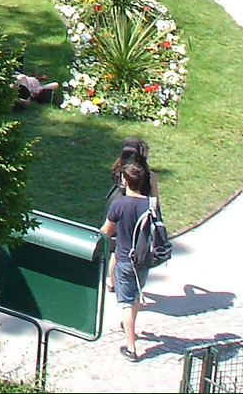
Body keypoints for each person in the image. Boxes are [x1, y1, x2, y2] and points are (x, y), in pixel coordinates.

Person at [101, 162, 153, 363]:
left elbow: (106, 231)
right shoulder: (149, 204)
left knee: (125, 303)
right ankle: (129, 324)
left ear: (125, 181)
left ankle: (131, 347)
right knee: (137, 294)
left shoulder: (119, 204)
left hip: (124, 258)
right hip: (144, 259)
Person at [105, 138, 159, 293]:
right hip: (140, 211)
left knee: (118, 247)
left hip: (119, 206)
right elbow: (155, 198)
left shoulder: (119, 170)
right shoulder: (148, 175)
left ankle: (112, 281)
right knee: (138, 243)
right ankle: (134, 280)